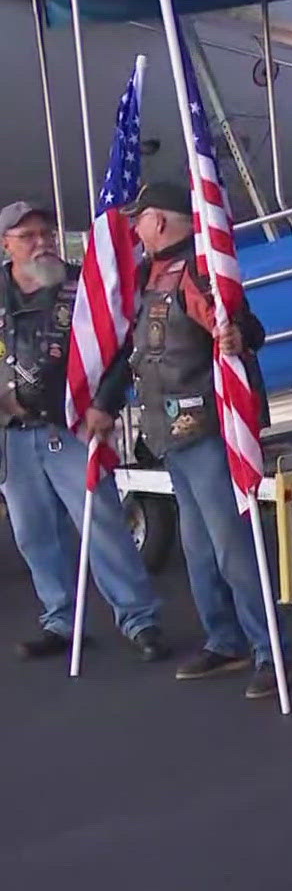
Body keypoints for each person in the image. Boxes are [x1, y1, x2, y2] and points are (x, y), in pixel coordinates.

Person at [93, 182, 287, 699]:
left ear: (159, 221)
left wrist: (236, 336)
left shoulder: (198, 269)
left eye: (139, 220)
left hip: (206, 430)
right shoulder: (149, 276)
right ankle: (225, 639)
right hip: (171, 434)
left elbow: (243, 325)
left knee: (231, 546)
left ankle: (269, 650)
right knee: (198, 546)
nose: (133, 229)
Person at [0, 201, 171, 663]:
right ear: (6, 244)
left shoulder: (83, 286)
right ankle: (60, 619)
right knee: (33, 534)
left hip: (71, 427)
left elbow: (122, 346)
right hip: (11, 435)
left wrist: (104, 403)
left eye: (46, 232)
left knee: (103, 525)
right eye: (28, 236)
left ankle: (139, 618)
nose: (42, 242)